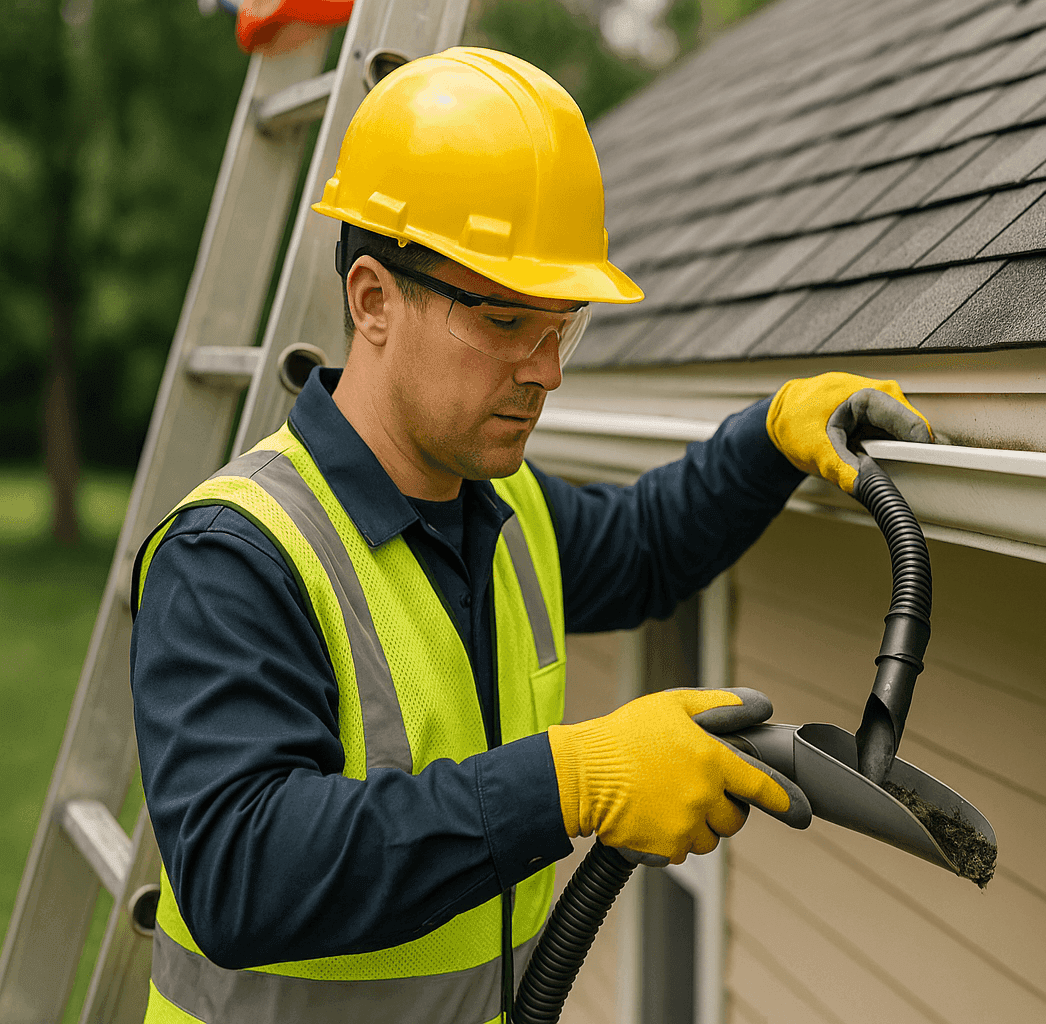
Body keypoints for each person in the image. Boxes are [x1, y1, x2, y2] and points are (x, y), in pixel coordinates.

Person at [129, 47, 933, 1024]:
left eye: (566, 326)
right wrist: (572, 779)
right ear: (373, 300)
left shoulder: (504, 512)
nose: (547, 371)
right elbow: (239, 872)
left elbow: (644, 546)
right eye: (509, 320)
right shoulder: (235, 552)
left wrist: (767, 440)